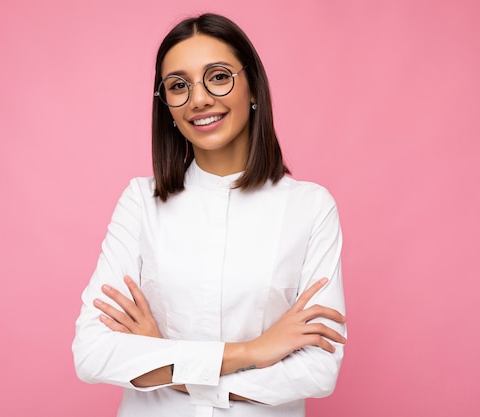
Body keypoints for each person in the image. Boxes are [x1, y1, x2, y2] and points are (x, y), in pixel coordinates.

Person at [72, 13, 346, 417]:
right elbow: (92, 353)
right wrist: (253, 351)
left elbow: (318, 370)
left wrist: (162, 359)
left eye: (218, 76)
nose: (198, 99)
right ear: (166, 105)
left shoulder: (310, 208)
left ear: (253, 86)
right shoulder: (141, 202)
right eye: (178, 86)